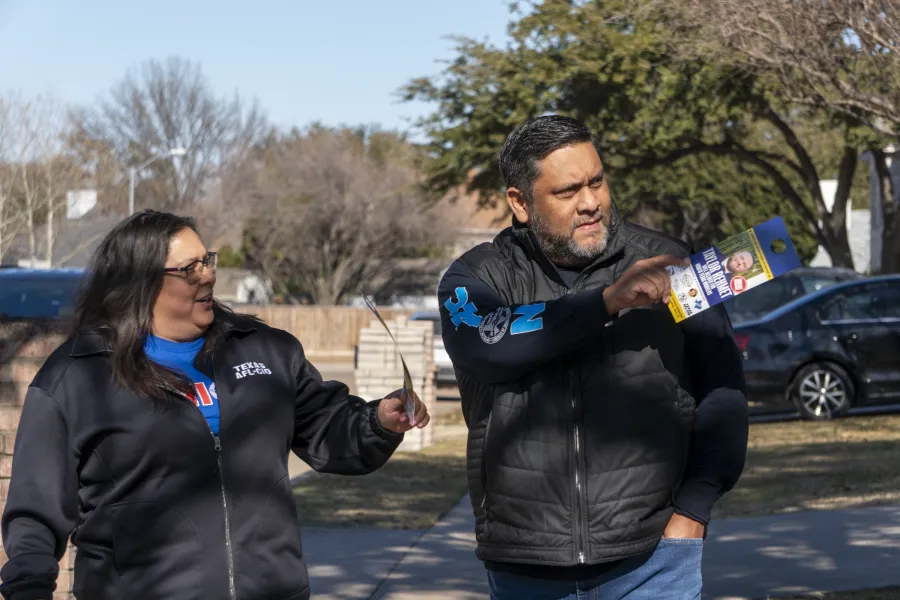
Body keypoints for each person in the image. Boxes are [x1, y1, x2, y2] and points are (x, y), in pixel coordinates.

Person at [0, 210, 429, 600]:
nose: (207, 277)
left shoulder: (266, 351)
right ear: (141, 281)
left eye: (208, 262)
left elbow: (328, 432)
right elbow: (35, 516)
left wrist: (378, 421)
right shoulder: (78, 376)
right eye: (190, 269)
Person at [438, 115, 748, 599]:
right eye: (567, 191)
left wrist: (692, 512)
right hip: (526, 568)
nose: (591, 203)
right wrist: (607, 302)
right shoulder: (477, 277)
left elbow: (724, 389)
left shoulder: (669, 263)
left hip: (655, 563)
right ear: (520, 202)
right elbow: (487, 343)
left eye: (597, 181)